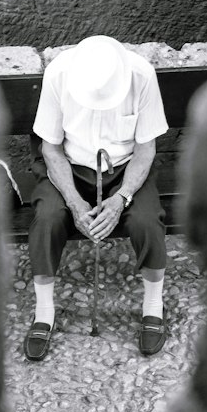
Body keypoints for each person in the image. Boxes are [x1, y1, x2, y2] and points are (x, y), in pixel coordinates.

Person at [24, 35, 169, 361]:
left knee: (147, 219)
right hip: (69, 167)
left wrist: (121, 199)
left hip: (125, 168)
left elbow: (146, 149)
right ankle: (44, 311)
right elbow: (50, 148)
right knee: (47, 217)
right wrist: (75, 203)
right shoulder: (59, 74)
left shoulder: (142, 75)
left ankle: (153, 305)